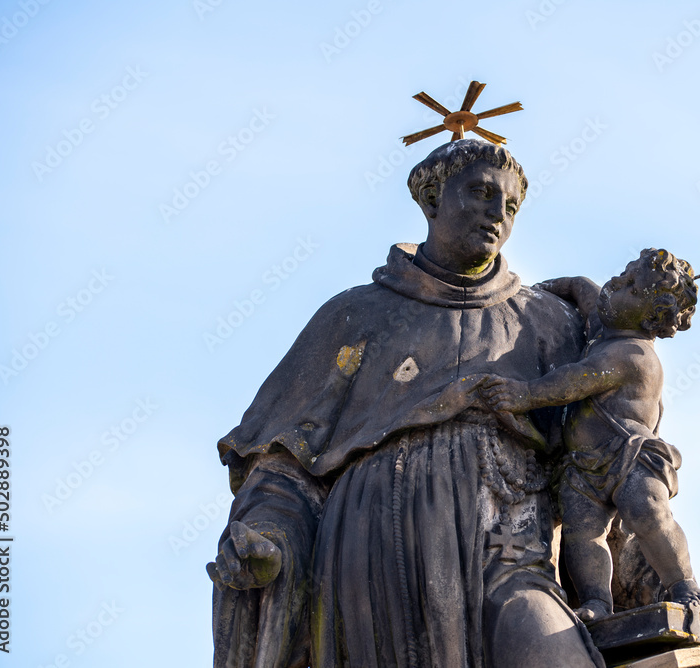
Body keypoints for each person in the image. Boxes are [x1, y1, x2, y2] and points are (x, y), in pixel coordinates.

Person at [208, 139, 605, 668]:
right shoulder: (355, 317)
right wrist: (268, 536)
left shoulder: (547, 323)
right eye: (481, 193)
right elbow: (283, 465)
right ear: (431, 199)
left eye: (510, 206)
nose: (496, 213)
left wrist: (672, 577)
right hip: (370, 570)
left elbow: (605, 460)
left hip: (509, 554)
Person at [481, 249, 700, 623]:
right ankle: (597, 601)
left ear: (650, 317)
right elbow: (582, 287)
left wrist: (525, 394)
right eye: (625, 273)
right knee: (582, 532)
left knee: (649, 514)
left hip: (630, 457)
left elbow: (574, 380)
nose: (618, 283)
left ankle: (684, 584)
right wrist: (540, 290)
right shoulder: (604, 328)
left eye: (632, 288)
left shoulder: (633, 355)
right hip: (584, 466)